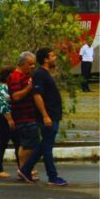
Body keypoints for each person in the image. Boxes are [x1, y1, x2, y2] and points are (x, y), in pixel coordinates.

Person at [19, 48, 68, 186]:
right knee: (47, 147)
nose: (55, 58)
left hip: (53, 116)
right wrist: (45, 116)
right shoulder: (40, 74)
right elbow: (37, 95)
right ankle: (52, 176)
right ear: (46, 59)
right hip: (48, 117)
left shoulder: (45, 74)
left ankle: (25, 170)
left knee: (44, 145)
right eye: (52, 56)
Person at [7, 51, 38, 175]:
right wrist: (29, 88)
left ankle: (23, 169)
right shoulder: (15, 77)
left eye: (33, 64)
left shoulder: (26, 76)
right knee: (30, 145)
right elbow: (16, 96)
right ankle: (24, 169)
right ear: (23, 63)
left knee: (25, 144)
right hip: (23, 117)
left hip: (30, 115)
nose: (32, 67)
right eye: (30, 64)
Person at [0, 66, 18, 178]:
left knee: (18, 142)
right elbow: (3, 106)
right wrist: (9, 119)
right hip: (3, 118)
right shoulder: (1, 89)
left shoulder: (10, 87)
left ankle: (23, 167)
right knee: (2, 142)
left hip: (10, 116)